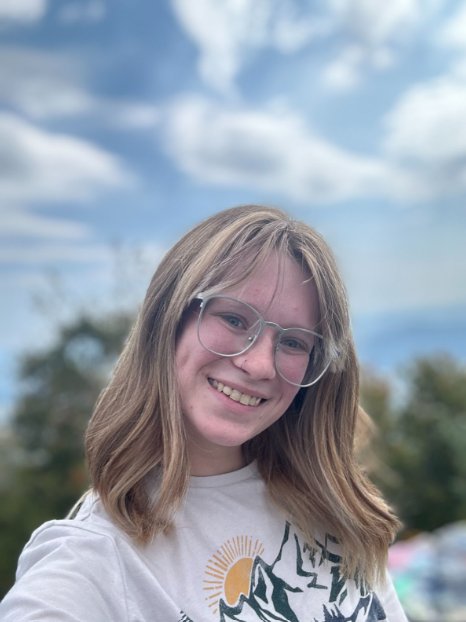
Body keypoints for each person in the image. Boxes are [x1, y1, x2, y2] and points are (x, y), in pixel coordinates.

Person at [0, 205, 408, 621]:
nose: (260, 365)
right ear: (169, 318)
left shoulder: (330, 507)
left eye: (293, 343)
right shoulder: (96, 560)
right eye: (233, 319)